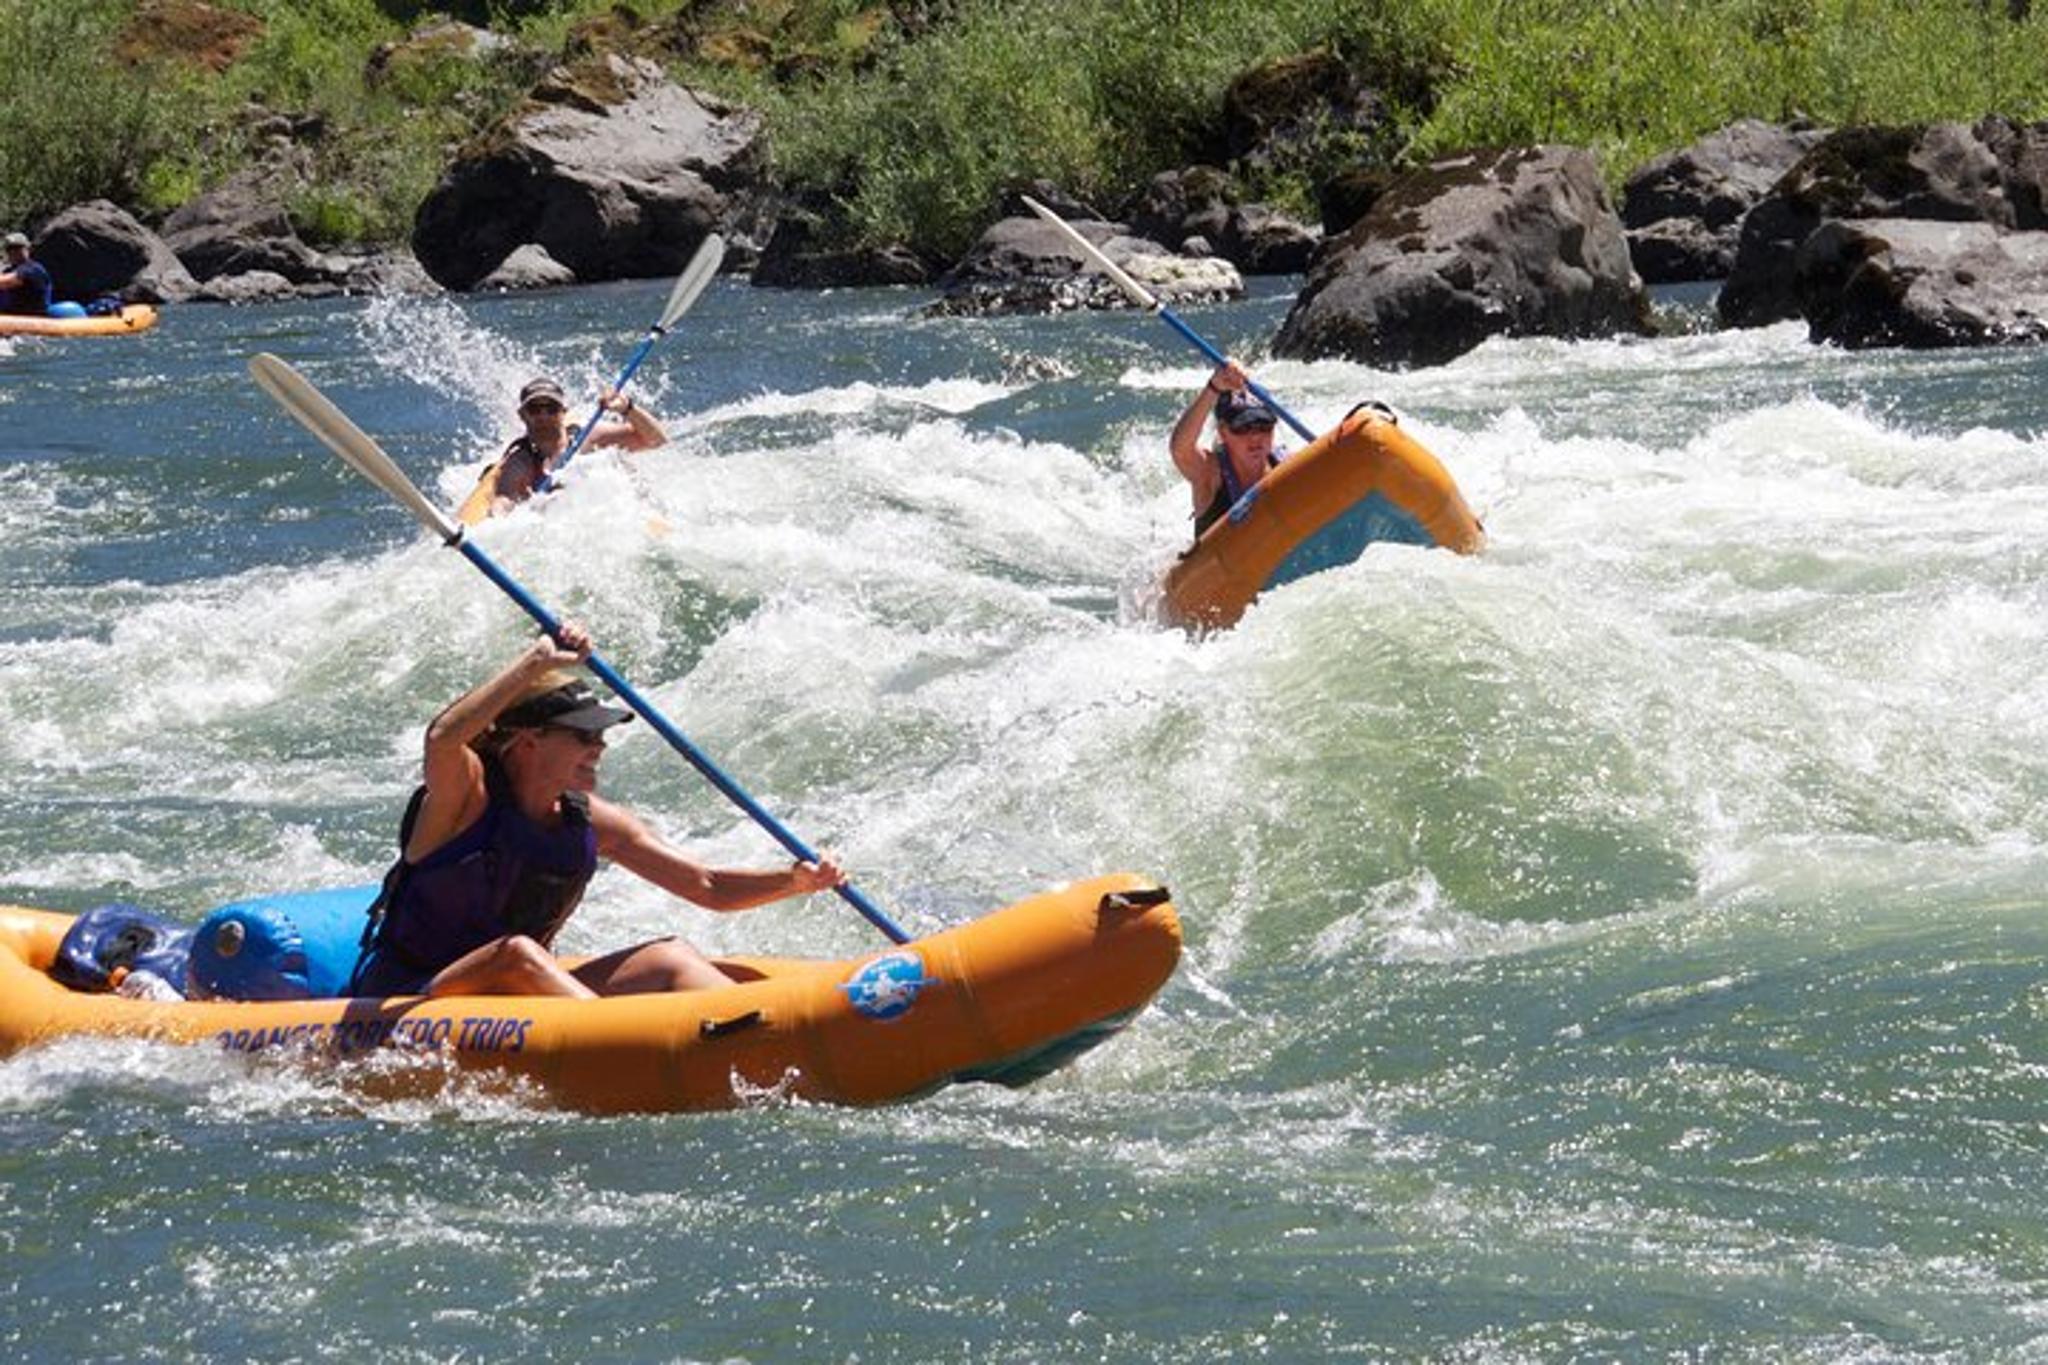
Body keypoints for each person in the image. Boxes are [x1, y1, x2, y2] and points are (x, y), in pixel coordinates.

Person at [350, 620, 845, 999]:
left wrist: (792, 881)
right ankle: (622, 1037)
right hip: (415, 994)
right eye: (584, 735)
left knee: (669, 956)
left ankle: (765, 1039)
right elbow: (442, 737)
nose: (600, 747)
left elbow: (707, 886)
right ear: (527, 743)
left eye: (602, 735)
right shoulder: (466, 798)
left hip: (513, 999)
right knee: (517, 954)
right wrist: (537, 663)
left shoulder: (587, 820)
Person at [469, 376, 668, 519]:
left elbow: (656, 440)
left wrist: (627, 409)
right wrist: (497, 518)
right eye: (535, 409)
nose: (543, 416)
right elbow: (504, 500)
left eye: (551, 409)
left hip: (613, 510)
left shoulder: (588, 436)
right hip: (570, 523)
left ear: (563, 412)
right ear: (523, 415)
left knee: (620, 466)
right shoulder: (520, 461)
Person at [1168, 359, 1286, 538]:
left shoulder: (1286, 465)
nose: (1255, 437)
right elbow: (1180, 449)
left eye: (1263, 426)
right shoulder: (1210, 473)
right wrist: (1213, 388)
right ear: (1223, 432)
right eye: (1243, 428)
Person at [0, 231, 53, 316]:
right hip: (10, 319)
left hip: (32, 321)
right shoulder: (8, 271)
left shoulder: (34, 269)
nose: (13, 251)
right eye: (9, 249)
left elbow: (5, 282)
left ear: (28, 248)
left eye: (17, 247)